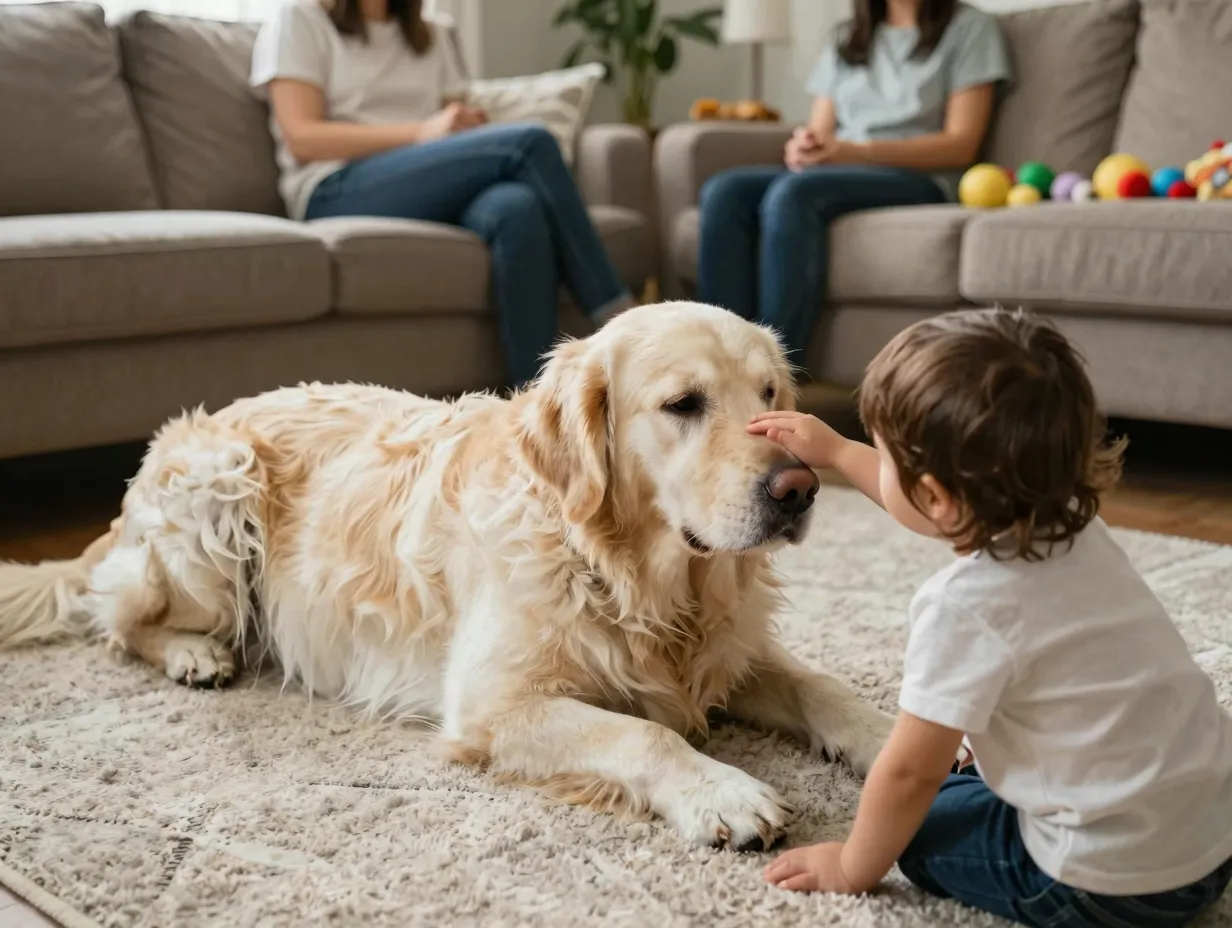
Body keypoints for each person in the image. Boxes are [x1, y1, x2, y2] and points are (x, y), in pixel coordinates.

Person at [749, 308, 1232, 927]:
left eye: (887, 458)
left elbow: (907, 772)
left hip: (1112, 884)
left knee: (921, 820)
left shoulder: (965, 609)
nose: (879, 464)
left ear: (938, 496)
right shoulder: (1080, 530)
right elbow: (925, 503)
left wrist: (852, 867)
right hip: (1212, 836)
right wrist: (842, 452)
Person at [250, 0, 634, 389]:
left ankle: (533, 401)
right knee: (530, 142)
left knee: (517, 208)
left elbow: (451, 121)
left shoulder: (432, 32)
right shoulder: (299, 19)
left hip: (423, 184)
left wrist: (460, 129)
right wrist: (421, 132)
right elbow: (302, 136)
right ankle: (624, 323)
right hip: (334, 187)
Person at [697, 0, 1011, 369]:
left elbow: (961, 144)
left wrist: (855, 152)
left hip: (920, 178)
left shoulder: (970, 28)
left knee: (794, 195)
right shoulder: (849, 37)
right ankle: (716, 364)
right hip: (840, 171)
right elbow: (820, 129)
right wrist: (806, 147)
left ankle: (772, 372)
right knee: (725, 192)